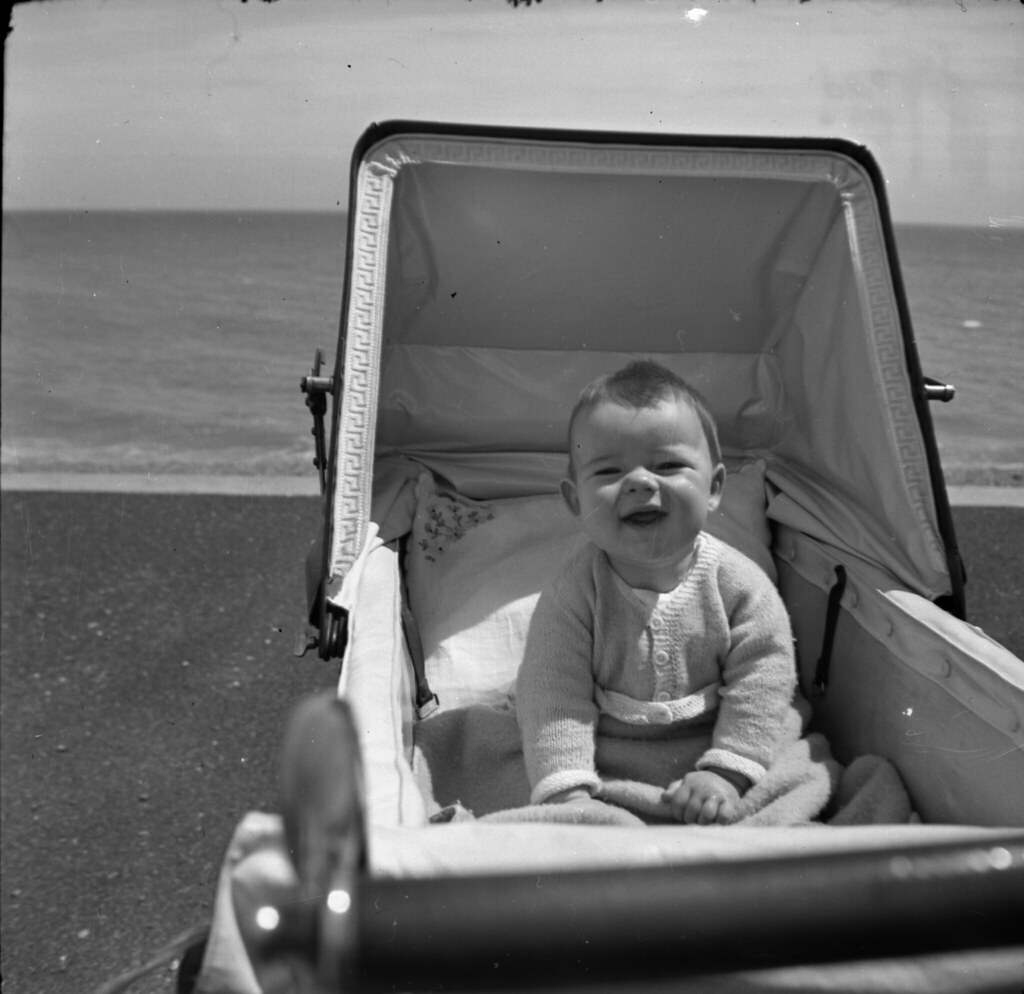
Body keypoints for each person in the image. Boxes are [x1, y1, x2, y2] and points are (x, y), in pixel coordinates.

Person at [516, 360, 805, 825]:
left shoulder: (740, 585)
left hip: (720, 740)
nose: (640, 482)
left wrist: (727, 771)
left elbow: (764, 677)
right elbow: (553, 694)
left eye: (668, 465)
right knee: (506, 763)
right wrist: (567, 790)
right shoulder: (573, 594)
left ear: (714, 488)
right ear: (576, 501)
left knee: (798, 773)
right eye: (609, 471)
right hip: (606, 751)